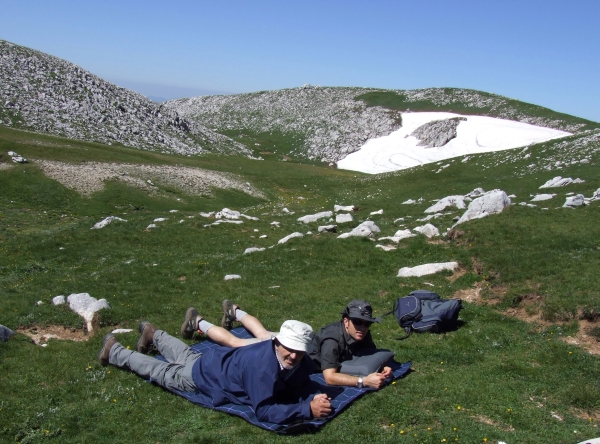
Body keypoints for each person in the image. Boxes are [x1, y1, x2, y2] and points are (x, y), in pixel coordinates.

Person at [98, 318, 332, 424]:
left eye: (299, 352)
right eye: (289, 349)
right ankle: (115, 351)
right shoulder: (262, 368)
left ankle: (154, 334)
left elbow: (303, 377)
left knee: (186, 355)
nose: (293, 356)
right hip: (202, 378)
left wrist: (314, 395)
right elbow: (264, 410)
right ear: (278, 343)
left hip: (213, 360)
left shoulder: (295, 359)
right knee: (161, 371)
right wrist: (307, 410)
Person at [184, 299, 392, 390]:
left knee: (263, 332)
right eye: (357, 322)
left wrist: (382, 368)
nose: (362, 328)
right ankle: (198, 322)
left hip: (299, 343)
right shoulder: (332, 340)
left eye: (367, 324)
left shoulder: (361, 333)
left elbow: (368, 354)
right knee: (235, 342)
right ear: (346, 321)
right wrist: (363, 381)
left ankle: (234, 311)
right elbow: (329, 377)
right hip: (290, 351)